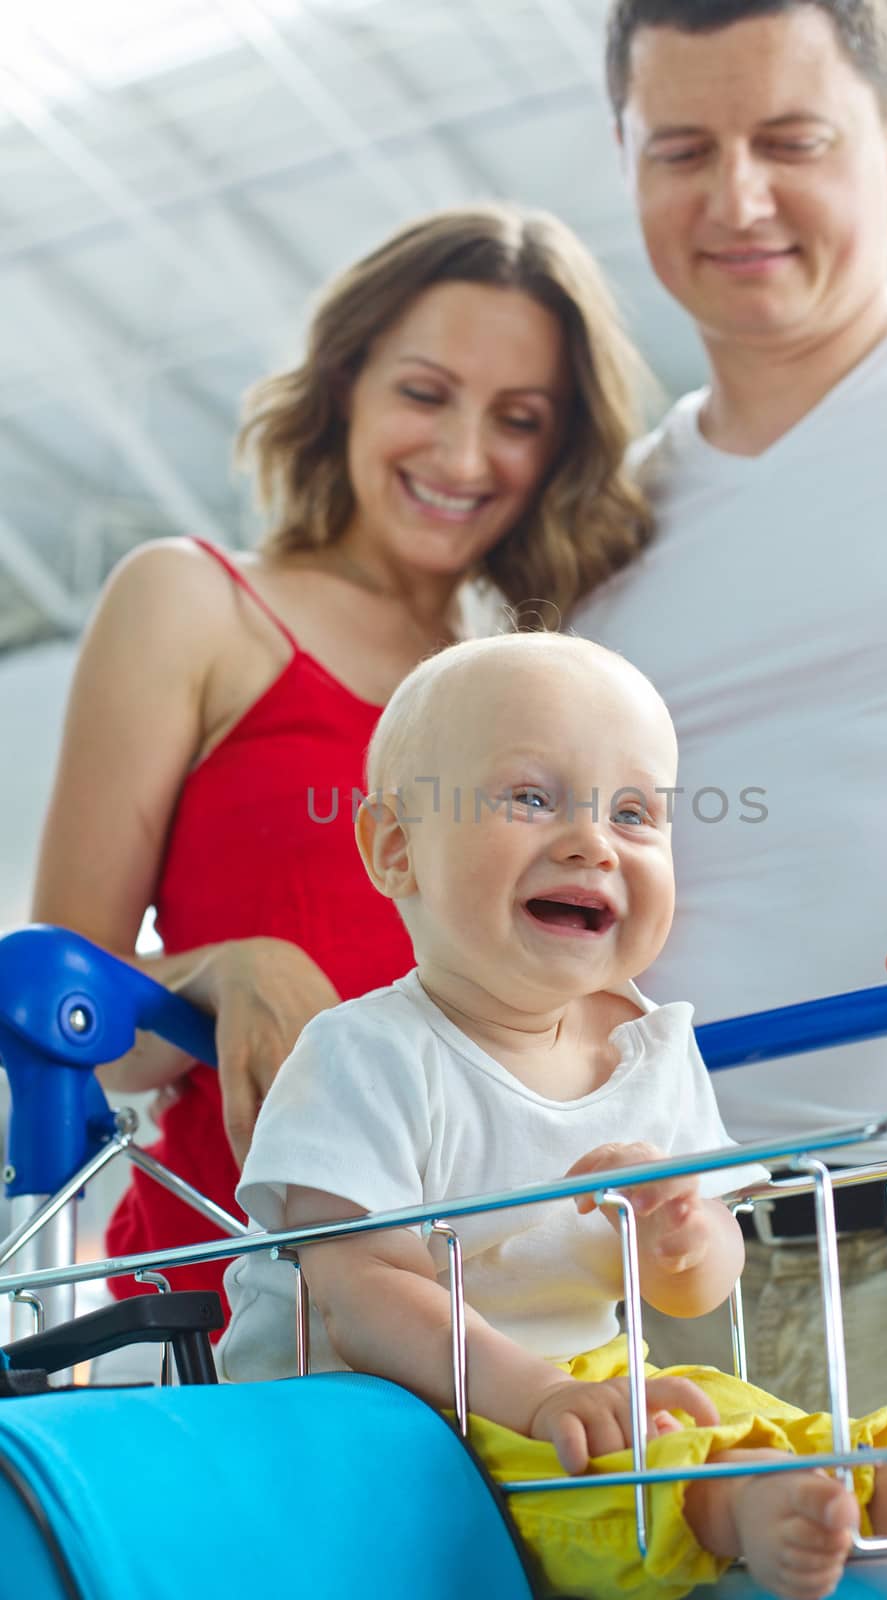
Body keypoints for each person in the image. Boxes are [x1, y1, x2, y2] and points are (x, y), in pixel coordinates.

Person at [218, 633, 887, 1600]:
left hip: (574, 1375)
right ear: (396, 847)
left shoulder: (651, 1048)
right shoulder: (364, 1053)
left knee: (714, 1400)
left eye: (635, 814)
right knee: (577, 1454)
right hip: (367, 1417)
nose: (590, 843)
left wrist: (684, 1235)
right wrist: (535, 1395)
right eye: (530, 798)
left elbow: (698, 1294)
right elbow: (360, 1292)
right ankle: (729, 1509)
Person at [571, 0, 887, 1420]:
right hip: (679, 1294)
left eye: (790, 140)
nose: (736, 199)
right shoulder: (588, 543)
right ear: (623, 158)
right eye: (681, 149)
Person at [29, 204, 653, 1320]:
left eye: (517, 418)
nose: (463, 455)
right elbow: (65, 1012)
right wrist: (222, 968)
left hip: (489, 1332)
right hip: (228, 1305)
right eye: (424, 393)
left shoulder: (527, 693)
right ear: (344, 385)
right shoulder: (193, 602)